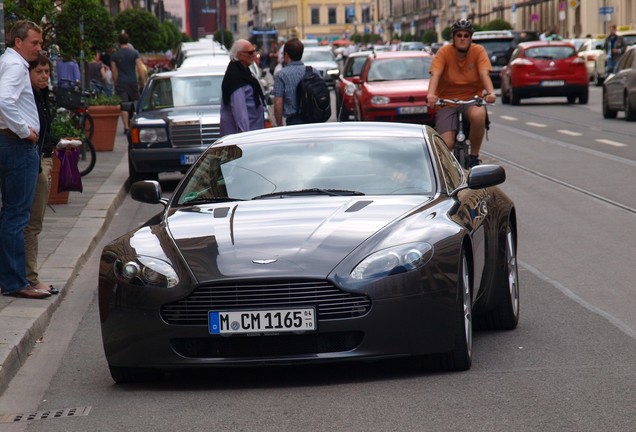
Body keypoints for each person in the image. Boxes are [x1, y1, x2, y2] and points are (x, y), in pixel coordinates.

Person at [0, 20, 51, 299]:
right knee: (17, 216)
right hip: (16, 145)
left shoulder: (7, 62)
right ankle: (16, 281)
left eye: (40, 43)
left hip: (9, 142)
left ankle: (10, 278)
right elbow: (4, 99)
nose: (38, 48)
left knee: (11, 215)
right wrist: (26, 131)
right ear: (18, 43)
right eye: (34, 43)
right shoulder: (17, 66)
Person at [426, 19, 496, 168]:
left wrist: (490, 92)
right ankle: (446, 172)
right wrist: (431, 95)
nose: (462, 38)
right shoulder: (444, 52)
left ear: (471, 38)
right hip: (447, 102)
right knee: (447, 144)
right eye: (459, 35)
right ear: (453, 38)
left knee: (479, 114)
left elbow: (484, 73)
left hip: (471, 99)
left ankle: (473, 156)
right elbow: (435, 74)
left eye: (466, 35)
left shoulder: (478, 51)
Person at [25, 53, 59, 295]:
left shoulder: (42, 97)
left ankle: (26, 275)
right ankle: (29, 278)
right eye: (39, 72)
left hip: (42, 158)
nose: (44, 76)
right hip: (34, 162)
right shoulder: (29, 100)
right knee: (30, 224)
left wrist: (59, 141)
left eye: (47, 72)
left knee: (30, 223)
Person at [220, 39, 266, 136]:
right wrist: (245, 136)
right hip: (246, 137)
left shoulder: (244, 73)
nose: (254, 55)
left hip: (254, 133)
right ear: (240, 55)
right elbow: (239, 111)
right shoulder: (236, 78)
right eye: (250, 52)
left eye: (254, 51)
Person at [111, 32, 147, 133]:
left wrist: (115, 81)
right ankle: (136, 124)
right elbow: (140, 68)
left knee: (124, 104)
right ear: (128, 41)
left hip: (121, 82)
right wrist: (144, 82)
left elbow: (114, 71)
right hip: (133, 81)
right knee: (136, 103)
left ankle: (126, 127)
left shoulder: (115, 55)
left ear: (118, 42)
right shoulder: (134, 53)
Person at [273, 38, 309, 126]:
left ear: (286, 55)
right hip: (314, 119)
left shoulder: (281, 75)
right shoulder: (313, 71)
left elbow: (278, 103)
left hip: (294, 121)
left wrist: (279, 125)